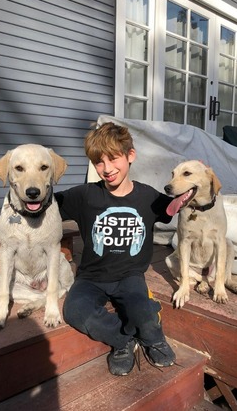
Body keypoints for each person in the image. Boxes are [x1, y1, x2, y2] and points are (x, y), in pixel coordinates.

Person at [56, 122, 176, 376]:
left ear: (130, 156)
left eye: (113, 158)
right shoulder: (85, 195)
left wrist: (196, 187)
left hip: (129, 276)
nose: (107, 169)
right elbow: (47, 202)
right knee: (75, 311)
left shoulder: (148, 197)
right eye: (99, 162)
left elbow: (176, 205)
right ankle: (123, 341)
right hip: (91, 278)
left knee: (141, 309)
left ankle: (153, 338)